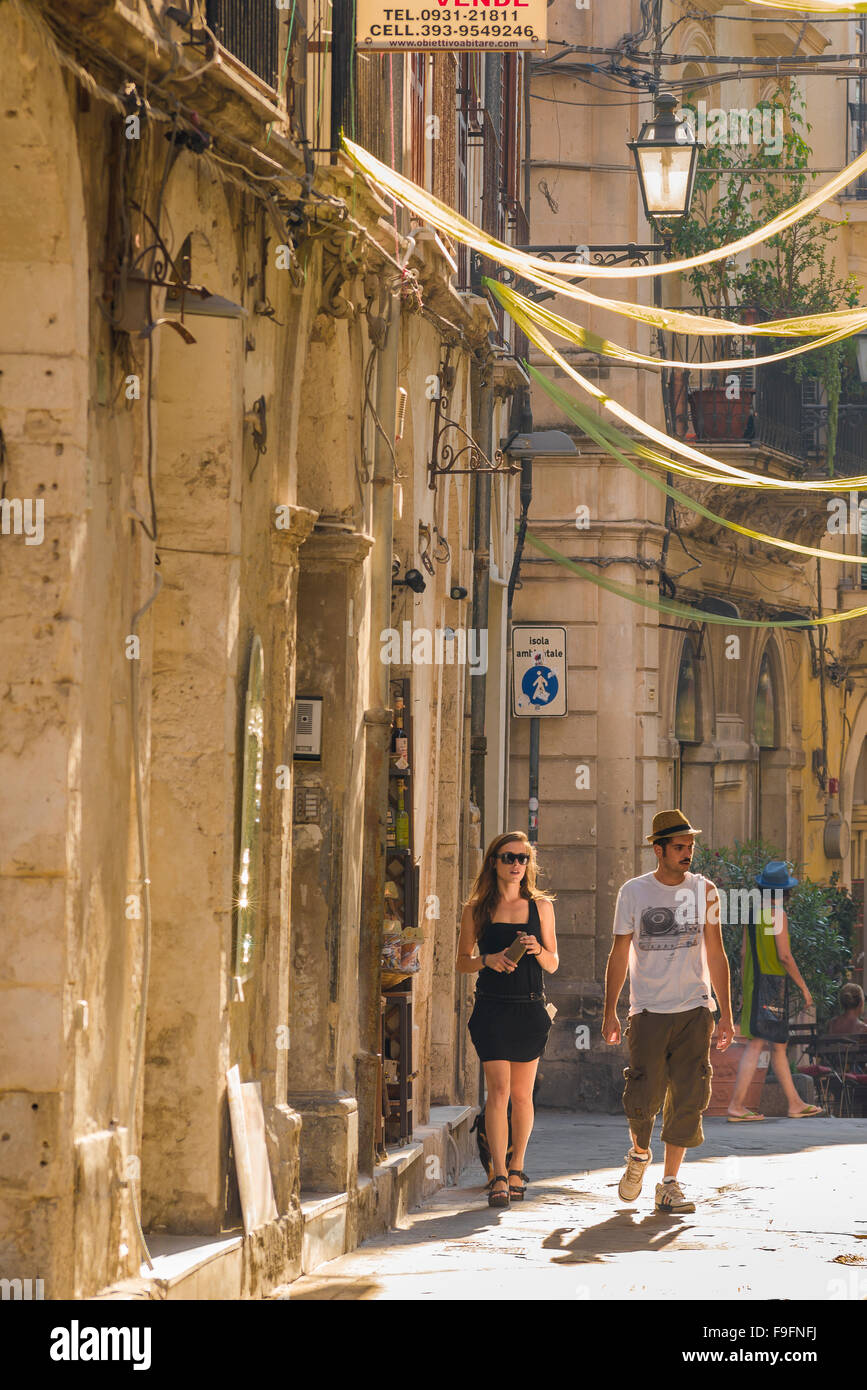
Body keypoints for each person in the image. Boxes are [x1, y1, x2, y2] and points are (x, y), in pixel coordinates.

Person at [602, 809, 734, 1215]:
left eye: (690, 846)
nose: (687, 853)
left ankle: (670, 1183)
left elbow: (716, 953)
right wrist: (609, 1012)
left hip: (695, 1008)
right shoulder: (634, 892)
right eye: (679, 847)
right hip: (648, 1010)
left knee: (690, 1096)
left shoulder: (705, 891)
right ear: (658, 850)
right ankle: (640, 1153)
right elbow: (619, 953)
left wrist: (726, 1014)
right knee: (643, 1095)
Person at [457, 831, 558, 1208]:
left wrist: (536, 948)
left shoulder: (541, 907)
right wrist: (488, 959)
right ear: (494, 862)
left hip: (530, 1008)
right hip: (492, 1009)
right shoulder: (476, 909)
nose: (517, 864)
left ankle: (517, 1168)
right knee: (498, 1092)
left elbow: (553, 962)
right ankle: (498, 1174)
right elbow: (461, 961)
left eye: (523, 858)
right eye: (509, 857)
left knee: (521, 1094)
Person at [727, 860, 822, 1121]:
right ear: (783, 892)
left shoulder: (752, 915)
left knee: (778, 1044)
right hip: (773, 985)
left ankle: (794, 1102)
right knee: (758, 1044)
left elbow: (744, 953)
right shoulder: (777, 915)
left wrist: (745, 990)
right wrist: (804, 988)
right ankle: (736, 1105)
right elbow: (785, 956)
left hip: (755, 983)